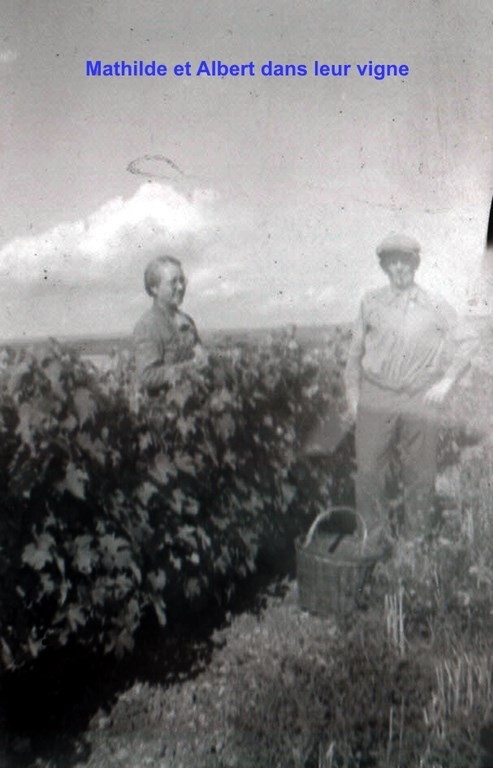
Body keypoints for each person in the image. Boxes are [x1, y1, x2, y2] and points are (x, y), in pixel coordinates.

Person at [344, 234, 471, 553]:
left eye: (405, 261)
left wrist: (446, 383)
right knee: (370, 471)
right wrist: (354, 399)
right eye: (392, 262)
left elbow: (468, 341)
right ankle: (372, 543)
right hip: (376, 395)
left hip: (418, 396)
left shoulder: (434, 303)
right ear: (385, 267)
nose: (399, 268)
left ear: (415, 264)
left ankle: (416, 545)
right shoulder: (370, 303)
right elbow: (353, 356)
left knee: (421, 472)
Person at [133, 255, 208, 395]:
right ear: (154, 288)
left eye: (182, 280)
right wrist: (191, 367)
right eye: (173, 282)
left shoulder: (187, 321)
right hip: (166, 410)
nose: (180, 287)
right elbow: (147, 376)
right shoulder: (147, 326)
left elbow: (200, 356)